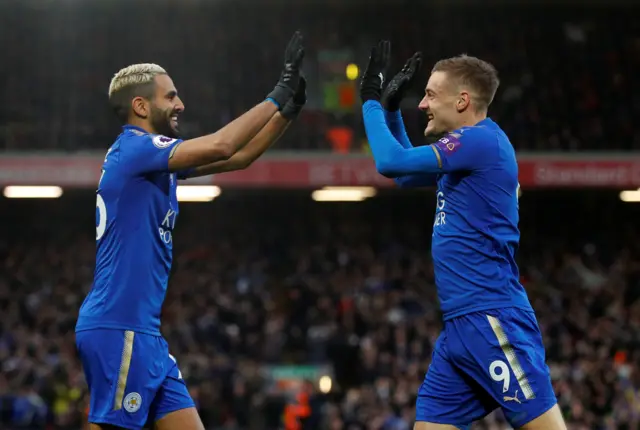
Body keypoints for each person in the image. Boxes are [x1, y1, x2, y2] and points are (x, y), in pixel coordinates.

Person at [75, 32, 307, 430]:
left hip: (145, 333)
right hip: (119, 327)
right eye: (170, 97)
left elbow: (239, 157)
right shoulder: (135, 149)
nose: (180, 104)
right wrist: (276, 92)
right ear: (140, 105)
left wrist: (288, 110)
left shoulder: (151, 157)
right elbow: (220, 144)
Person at [359, 40, 567, 430]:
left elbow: (390, 162)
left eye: (430, 94)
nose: (421, 104)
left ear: (462, 101)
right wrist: (390, 110)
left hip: (491, 318)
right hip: (459, 329)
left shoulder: (482, 141)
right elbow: (405, 176)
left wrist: (370, 99)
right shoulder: (464, 154)